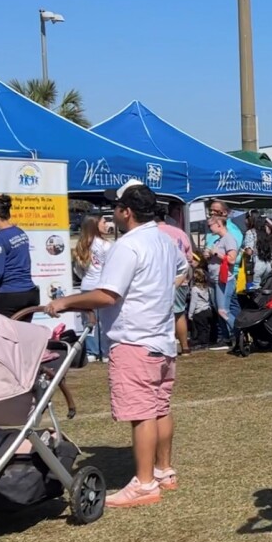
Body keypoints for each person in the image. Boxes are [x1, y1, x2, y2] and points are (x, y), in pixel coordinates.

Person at [45, 180, 184, 508]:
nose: (112, 214)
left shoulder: (128, 245)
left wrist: (66, 302)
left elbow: (108, 294)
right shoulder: (164, 240)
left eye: (116, 207)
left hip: (134, 339)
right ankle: (163, 471)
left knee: (142, 413)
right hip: (160, 338)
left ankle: (145, 484)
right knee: (159, 407)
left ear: (127, 211)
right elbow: (181, 271)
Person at [73, 215, 114, 360]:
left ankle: (91, 351)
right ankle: (105, 352)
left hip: (86, 286)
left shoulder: (81, 245)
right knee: (105, 321)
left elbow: (78, 270)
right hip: (102, 287)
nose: (106, 224)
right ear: (95, 225)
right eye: (104, 222)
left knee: (89, 321)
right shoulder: (107, 245)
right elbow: (112, 267)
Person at [156, 205, 193, 357]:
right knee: (179, 313)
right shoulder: (179, 232)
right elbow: (189, 257)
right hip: (181, 278)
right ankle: (185, 347)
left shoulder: (153, 233)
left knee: (162, 315)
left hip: (161, 280)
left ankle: (167, 347)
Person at [205, 200, 244, 338]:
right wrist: (208, 255)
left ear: (219, 224)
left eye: (211, 225)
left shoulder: (231, 236)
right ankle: (229, 336)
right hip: (215, 278)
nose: (212, 214)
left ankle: (239, 333)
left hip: (225, 278)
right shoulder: (217, 239)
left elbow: (233, 259)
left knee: (224, 310)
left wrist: (216, 253)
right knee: (220, 309)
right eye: (210, 211)